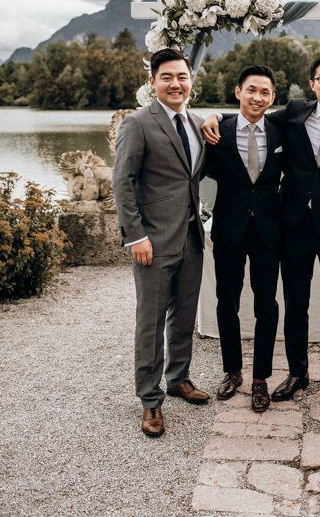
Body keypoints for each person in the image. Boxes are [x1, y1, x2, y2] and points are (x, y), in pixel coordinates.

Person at [203, 54, 320, 403]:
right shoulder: (293, 113)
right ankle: (297, 372)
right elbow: (249, 115)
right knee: (295, 303)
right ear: (312, 85)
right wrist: (213, 115)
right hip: (293, 224)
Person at [113, 47, 209, 438]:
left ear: (191, 81)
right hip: (151, 239)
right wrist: (135, 235)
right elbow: (122, 182)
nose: (175, 83)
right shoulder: (138, 123)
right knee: (150, 321)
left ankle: (179, 378)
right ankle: (150, 400)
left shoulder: (199, 122)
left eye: (182, 77)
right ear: (152, 82)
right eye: (167, 77)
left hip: (191, 236)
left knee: (184, 314)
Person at [204, 66, 283, 412]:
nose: (258, 98)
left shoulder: (283, 130)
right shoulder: (216, 130)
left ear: (273, 98)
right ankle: (232, 370)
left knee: (267, 305)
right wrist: (212, 113)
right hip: (229, 228)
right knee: (227, 301)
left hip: (268, 230)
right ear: (238, 92)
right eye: (252, 90)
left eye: (265, 92)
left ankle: (260, 378)